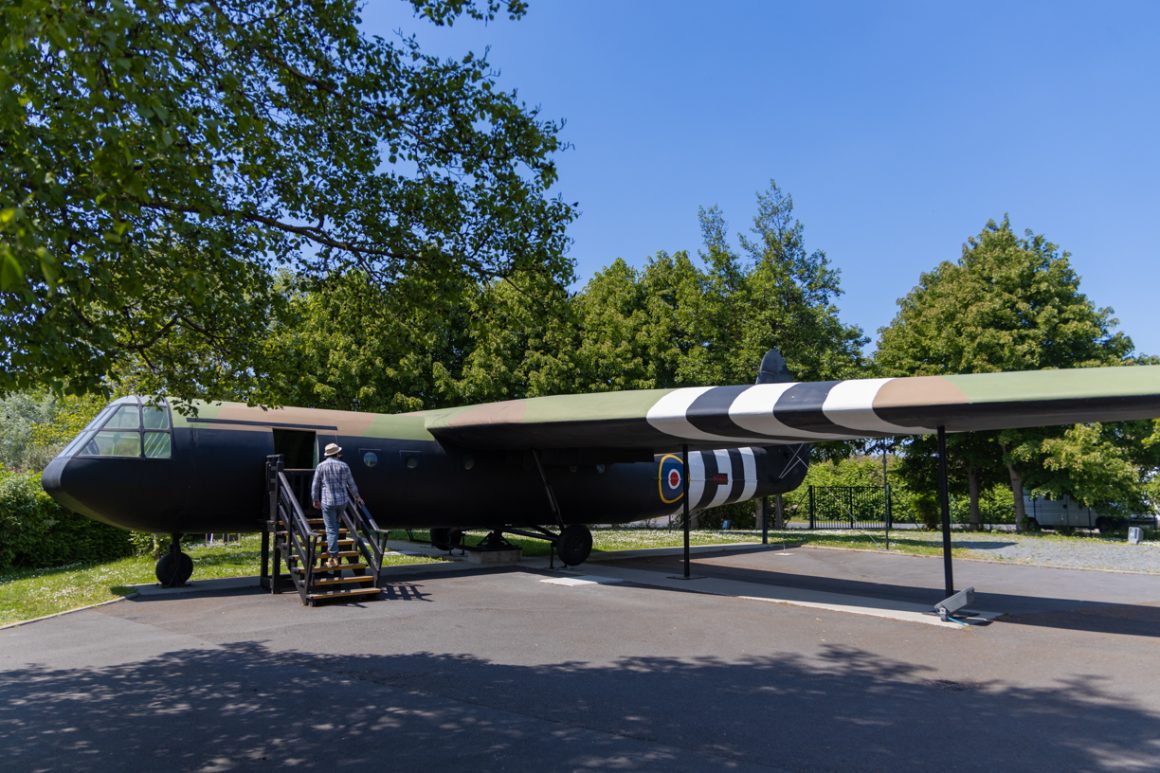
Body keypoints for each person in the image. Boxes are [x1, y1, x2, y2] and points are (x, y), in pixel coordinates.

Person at [311, 443, 363, 569]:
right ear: (338, 453)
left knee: (330, 529)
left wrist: (315, 499)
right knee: (335, 525)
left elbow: (315, 485)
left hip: (328, 502)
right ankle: (337, 525)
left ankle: (334, 557)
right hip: (343, 502)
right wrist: (357, 497)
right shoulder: (344, 466)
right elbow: (352, 484)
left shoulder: (321, 466)